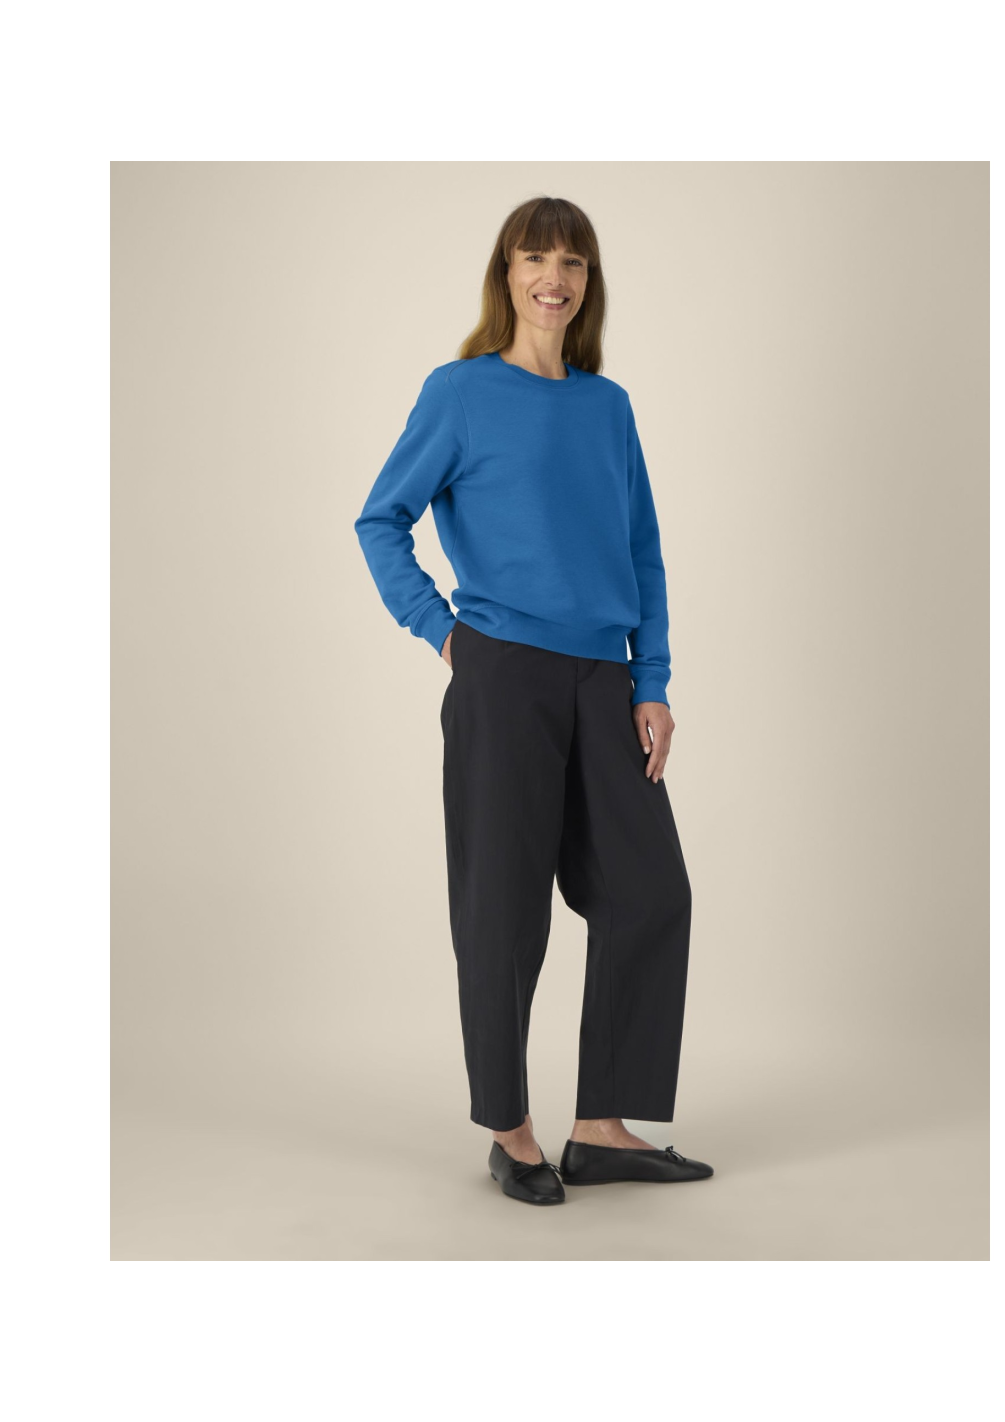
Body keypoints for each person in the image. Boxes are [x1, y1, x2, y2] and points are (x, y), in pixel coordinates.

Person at [354, 196, 713, 1205]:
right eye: (534, 258)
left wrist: (651, 679)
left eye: (572, 262)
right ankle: (510, 1131)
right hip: (503, 674)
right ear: (505, 274)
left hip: (604, 680)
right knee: (503, 909)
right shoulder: (460, 392)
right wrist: (444, 633)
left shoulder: (608, 406)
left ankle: (601, 1129)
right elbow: (380, 519)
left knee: (651, 893)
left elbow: (640, 549)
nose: (553, 278)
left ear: (588, 283)